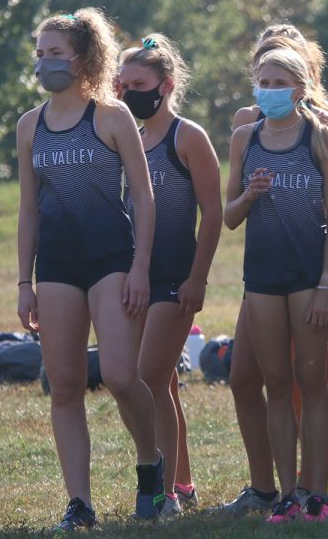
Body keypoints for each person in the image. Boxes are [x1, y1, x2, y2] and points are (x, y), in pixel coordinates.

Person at [16, 8, 162, 530]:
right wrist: (23, 283)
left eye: (54, 53)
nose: (44, 62)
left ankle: (151, 467)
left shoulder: (111, 116)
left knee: (123, 376)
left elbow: (144, 199)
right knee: (64, 386)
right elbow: (29, 208)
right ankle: (79, 502)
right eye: (40, 53)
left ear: (82, 57)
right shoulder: (29, 125)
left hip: (111, 261)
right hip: (56, 265)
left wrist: (141, 266)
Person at [221, 27, 328, 516]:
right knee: (275, 382)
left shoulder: (322, 136)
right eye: (262, 80)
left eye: (279, 81)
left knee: (312, 380)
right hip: (261, 276)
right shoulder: (244, 137)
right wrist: (249, 195)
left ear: (300, 88)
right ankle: (285, 496)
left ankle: (317, 492)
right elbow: (229, 217)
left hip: (310, 276)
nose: (268, 89)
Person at [117, 34, 223, 517]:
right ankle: (180, 482)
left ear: (166, 84)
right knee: (161, 386)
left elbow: (213, 212)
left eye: (138, 83)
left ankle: (165, 491)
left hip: (176, 278)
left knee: (148, 377)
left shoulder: (188, 136)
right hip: (135, 278)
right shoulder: (129, 139)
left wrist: (197, 279)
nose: (128, 92)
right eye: (122, 84)